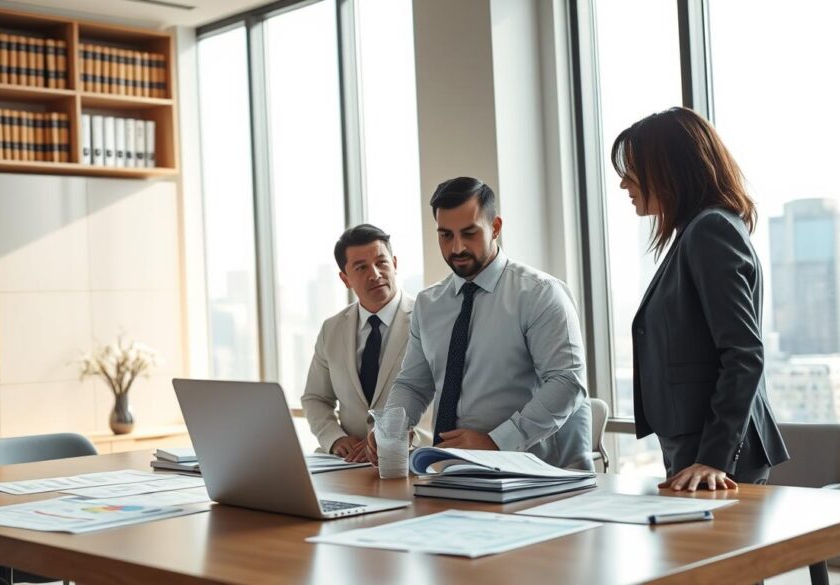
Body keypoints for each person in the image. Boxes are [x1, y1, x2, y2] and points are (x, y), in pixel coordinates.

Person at [613, 107, 789, 491]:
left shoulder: (710, 230)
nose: (624, 183)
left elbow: (744, 353)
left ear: (670, 169)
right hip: (696, 451)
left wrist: (713, 458)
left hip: (717, 459)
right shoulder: (698, 230)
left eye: (634, 168)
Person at [367, 177, 592, 469]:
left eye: (469, 233)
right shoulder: (428, 303)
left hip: (531, 474)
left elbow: (567, 383)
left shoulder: (539, 293)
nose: (457, 247)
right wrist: (389, 428)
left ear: (495, 227)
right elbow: (412, 385)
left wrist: (497, 441)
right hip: (449, 470)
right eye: (445, 235)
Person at [301, 224, 430, 462]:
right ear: (345, 278)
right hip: (347, 465)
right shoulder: (331, 329)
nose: (375, 274)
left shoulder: (428, 319)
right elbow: (315, 398)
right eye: (361, 267)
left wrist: (399, 439)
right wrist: (335, 438)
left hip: (411, 458)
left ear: (395, 264)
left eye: (381, 263)